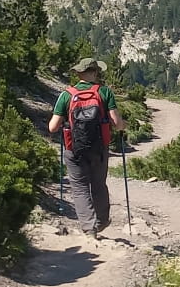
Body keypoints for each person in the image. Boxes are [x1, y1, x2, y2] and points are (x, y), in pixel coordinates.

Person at [47, 57, 126, 238]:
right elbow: (117, 124)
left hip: (73, 149)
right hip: (99, 149)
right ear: (95, 72)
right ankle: (102, 221)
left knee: (80, 187)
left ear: (78, 73)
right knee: (98, 185)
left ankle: (89, 228)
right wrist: (124, 125)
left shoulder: (67, 95)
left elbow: (52, 127)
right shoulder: (104, 92)